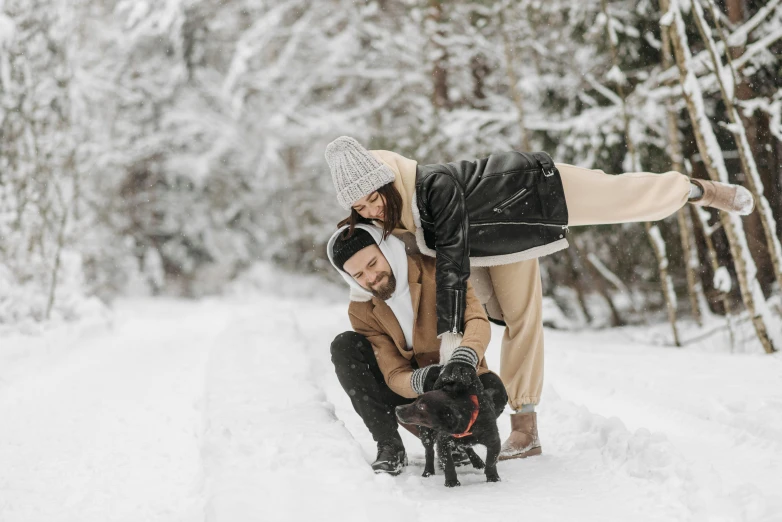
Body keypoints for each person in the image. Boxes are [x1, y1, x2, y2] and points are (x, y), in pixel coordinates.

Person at [324, 135, 755, 460]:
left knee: (620, 198)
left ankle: (696, 190)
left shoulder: (432, 186)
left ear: (386, 182)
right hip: (484, 244)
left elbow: (452, 263)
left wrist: (452, 344)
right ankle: (496, 425)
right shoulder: (391, 213)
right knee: (502, 320)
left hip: (525, 198)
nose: (370, 209)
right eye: (360, 206)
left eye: (373, 198)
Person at [327, 223, 508, 475]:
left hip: (458, 379)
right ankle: (390, 446)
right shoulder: (361, 309)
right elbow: (391, 371)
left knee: (494, 391)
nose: (370, 278)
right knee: (345, 345)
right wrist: (419, 380)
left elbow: (476, 319)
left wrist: (464, 356)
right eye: (358, 275)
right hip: (412, 393)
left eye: (372, 264)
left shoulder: (439, 269)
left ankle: (458, 438)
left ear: (387, 250)